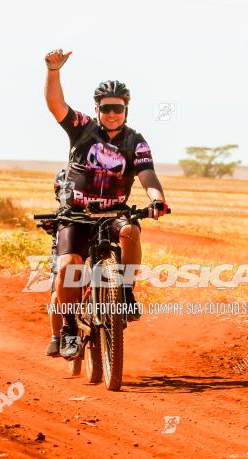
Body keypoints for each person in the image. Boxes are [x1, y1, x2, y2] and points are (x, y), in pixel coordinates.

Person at [43, 48, 168, 359]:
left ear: (126, 110)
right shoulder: (82, 128)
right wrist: (53, 71)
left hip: (113, 214)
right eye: (107, 108)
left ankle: (124, 292)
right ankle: (69, 328)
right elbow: (56, 105)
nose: (113, 113)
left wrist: (157, 199)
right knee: (70, 266)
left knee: (132, 233)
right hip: (76, 215)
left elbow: (147, 174)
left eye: (119, 108)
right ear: (97, 108)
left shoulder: (135, 141)